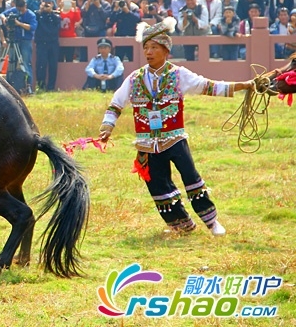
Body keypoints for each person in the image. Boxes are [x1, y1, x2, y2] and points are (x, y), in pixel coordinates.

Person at [98, 18, 254, 235]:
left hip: (174, 138)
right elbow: (116, 103)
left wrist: (244, 85)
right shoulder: (135, 78)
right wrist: (107, 126)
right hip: (146, 144)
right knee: (157, 185)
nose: (149, 52)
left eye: (154, 47)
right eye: (146, 48)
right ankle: (181, 224)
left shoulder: (179, 74)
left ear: (166, 50)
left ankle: (211, 222)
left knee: (191, 177)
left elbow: (209, 86)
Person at [3, 0, 37, 94]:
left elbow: (32, 27)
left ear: (25, 5)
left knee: (26, 63)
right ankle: (9, 85)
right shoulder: (13, 11)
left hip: (26, 40)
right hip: (15, 39)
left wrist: (19, 24)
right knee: (11, 62)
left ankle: (28, 87)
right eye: (19, 8)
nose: (20, 10)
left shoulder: (30, 14)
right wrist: (5, 19)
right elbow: (2, 15)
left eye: (22, 8)